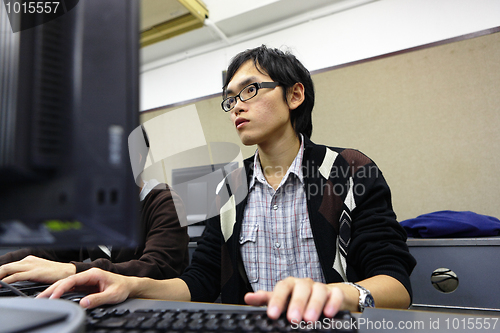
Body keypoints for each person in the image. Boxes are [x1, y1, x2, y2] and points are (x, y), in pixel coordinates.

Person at [38, 45, 416, 323]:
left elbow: (397, 287)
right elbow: (200, 281)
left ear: (295, 95)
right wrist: (133, 284)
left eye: (250, 90)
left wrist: (332, 294)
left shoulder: (350, 169)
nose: (236, 105)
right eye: (230, 98)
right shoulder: (226, 184)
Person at [0, 181, 190, 284]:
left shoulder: (165, 201)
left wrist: (74, 271)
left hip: (157, 311)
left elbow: (158, 269)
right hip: (113, 306)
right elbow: (48, 252)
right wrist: (5, 264)